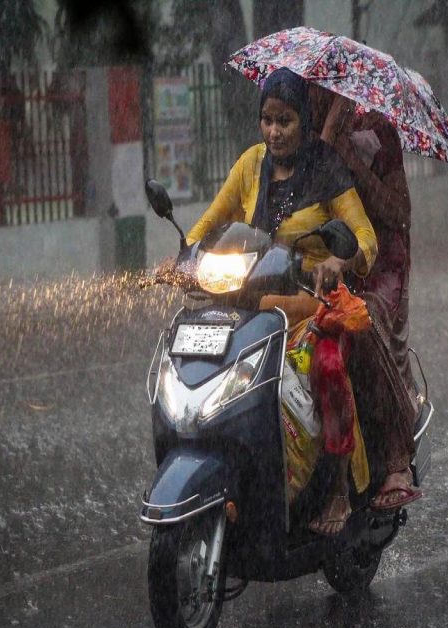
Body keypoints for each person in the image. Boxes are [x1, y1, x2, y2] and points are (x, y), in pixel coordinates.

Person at [177, 68, 378, 535]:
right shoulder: (251, 164)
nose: (274, 131)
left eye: (284, 120)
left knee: (327, 369)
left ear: (303, 121)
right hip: (252, 305)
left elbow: (365, 237)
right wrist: (184, 259)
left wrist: (337, 263)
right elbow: (209, 223)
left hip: (312, 308)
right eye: (267, 120)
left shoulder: (326, 167)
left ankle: (337, 490)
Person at [310, 87, 423, 511]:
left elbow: (399, 212)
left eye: (329, 95)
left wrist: (348, 159)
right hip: (321, 250)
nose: (320, 100)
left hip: (377, 255)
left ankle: (396, 457)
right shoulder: (294, 134)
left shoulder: (376, 130)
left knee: (366, 318)